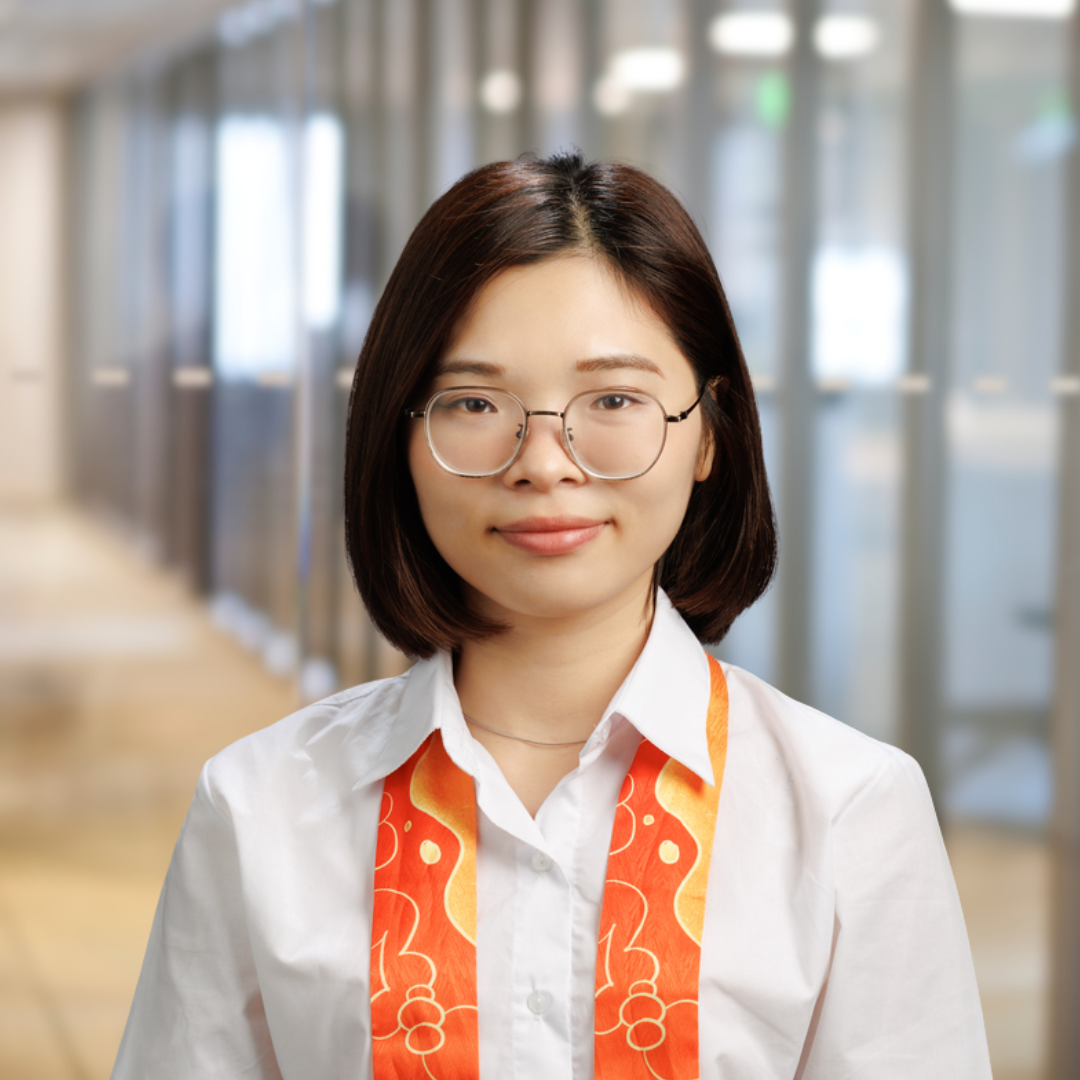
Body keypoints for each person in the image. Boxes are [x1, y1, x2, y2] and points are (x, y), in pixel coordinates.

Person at [112, 152, 991, 1080]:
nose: (543, 462)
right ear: (397, 438)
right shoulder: (259, 809)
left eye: (613, 399)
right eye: (475, 402)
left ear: (710, 437)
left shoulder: (851, 811)